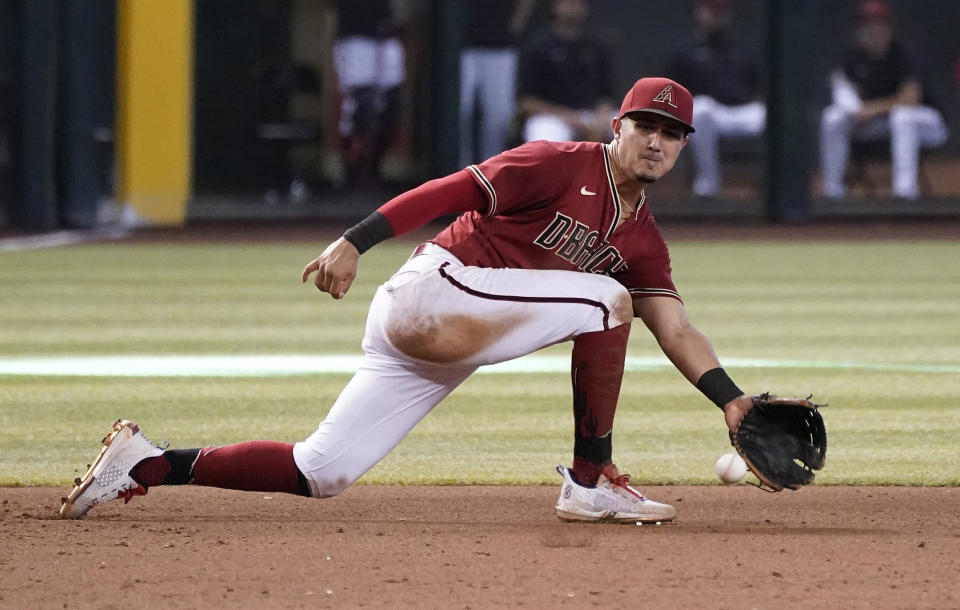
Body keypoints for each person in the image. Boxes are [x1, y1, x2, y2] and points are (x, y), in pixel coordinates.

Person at [59, 77, 756, 524]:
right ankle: (588, 478)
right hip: (433, 292)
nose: (658, 141)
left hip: (449, 338)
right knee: (607, 299)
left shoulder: (644, 239)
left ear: (684, 146)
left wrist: (730, 399)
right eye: (646, 126)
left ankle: (147, 462)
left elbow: (674, 326)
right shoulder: (557, 162)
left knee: (322, 470)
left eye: (672, 134)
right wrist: (356, 240)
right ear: (619, 127)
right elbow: (448, 191)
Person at [819, 0, 948, 200]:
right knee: (832, 117)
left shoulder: (903, 54)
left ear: (889, 28)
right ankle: (833, 190)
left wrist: (871, 109)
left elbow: (910, 99)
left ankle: (905, 193)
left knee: (903, 117)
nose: (873, 30)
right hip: (881, 122)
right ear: (858, 30)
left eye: (879, 24)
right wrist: (855, 109)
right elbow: (845, 93)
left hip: (927, 124)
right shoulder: (852, 58)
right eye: (867, 25)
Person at [665, 0, 765, 198]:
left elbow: (759, 86)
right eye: (711, 10)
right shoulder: (686, 52)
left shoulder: (742, 50)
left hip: (741, 113)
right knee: (701, 109)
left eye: (721, 11)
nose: (716, 16)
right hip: (705, 117)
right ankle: (708, 184)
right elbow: (671, 92)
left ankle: (769, 185)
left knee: (769, 114)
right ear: (699, 12)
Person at [515, 0, 616, 143]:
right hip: (552, 117)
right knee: (545, 138)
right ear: (556, 6)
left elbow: (607, 94)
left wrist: (602, 116)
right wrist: (569, 117)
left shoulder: (597, 45)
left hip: (591, 116)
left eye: (578, 3)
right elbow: (526, 102)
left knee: (635, 128)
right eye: (567, 2)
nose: (573, 7)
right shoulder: (537, 46)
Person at [330, 0, 406, 187]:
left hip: (387, 35)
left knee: (392, 103)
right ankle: (352, 170)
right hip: (355, 35)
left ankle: (374, 169)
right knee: (361, 105)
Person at [459, 0, 536, 166]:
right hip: (461, 44)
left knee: (499, 116)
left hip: (500, 42)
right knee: (459, 112)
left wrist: (516, 23)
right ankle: (458, 174)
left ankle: (491, 175)